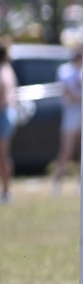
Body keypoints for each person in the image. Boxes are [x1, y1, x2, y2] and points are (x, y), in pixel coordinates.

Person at [52, 48, 83, 194]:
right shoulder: (65, 70)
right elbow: (67, 92)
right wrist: (80, 98)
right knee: (66, 149)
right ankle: (58, 182)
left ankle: (81, 182)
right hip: (70, 112)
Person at [0, 38, 18, 204]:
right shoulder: (8, 68)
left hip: (3, 114)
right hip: (9, 114)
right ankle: (5, 191)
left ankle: (5, 192)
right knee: (4, 156)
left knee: (2, 157)